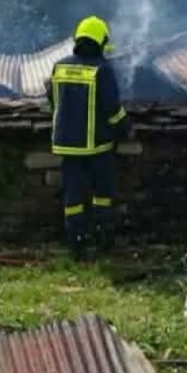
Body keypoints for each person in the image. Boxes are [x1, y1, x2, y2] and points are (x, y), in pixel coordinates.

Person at [47, 16, 130, 260]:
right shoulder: (102, 70)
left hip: (66, 147)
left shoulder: (59, 67)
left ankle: (77, 245)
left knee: (72, 197)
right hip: (97, 147)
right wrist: (126, 128)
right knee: (102, 195)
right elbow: (113, 111)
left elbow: (53, 100)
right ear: (100, 41)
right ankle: (104, 240)